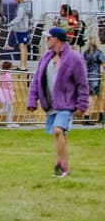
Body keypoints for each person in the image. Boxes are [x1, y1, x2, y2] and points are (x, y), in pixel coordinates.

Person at [28, 26, 92, 179]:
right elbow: (37, 80)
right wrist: (32, 100)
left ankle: (62, 166)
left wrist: (82, 105)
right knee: (60, 135)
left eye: (48, 38)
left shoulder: (74, 58)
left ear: (56, 39)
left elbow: (82, 83)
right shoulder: (46, 58)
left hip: (66, 104)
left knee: (58, 131)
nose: (46, 40)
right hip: (51, 104)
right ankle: (61, 162)